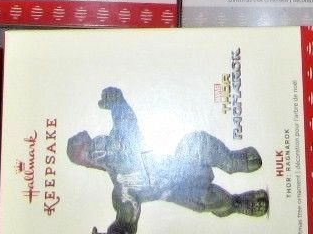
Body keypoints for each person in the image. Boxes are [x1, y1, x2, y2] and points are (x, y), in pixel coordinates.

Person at [67, 86, 269, 233]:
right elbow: (126, 220)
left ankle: (233, 161)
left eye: (97, 141)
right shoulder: (123, 191)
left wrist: (116, 101)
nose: (102, 146)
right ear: (96, 163)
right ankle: (237, 203)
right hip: (180, 191)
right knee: (208, 199)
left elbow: (125, 118)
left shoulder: (124, 138)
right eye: (93, 152)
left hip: (182, 163)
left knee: (196, 143)